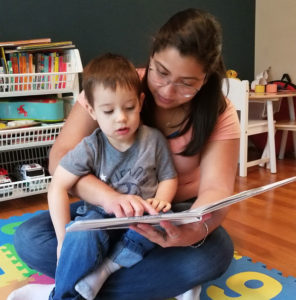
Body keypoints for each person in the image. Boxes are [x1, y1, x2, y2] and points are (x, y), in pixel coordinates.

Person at [11, 8, 240, 300]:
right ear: (152, 54)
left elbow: (216, 189)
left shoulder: (219, 112)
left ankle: (73, 286)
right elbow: (60, 158)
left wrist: (191, 232)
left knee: (214, 254)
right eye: (161, 72)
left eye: (186, 84)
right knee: (29, 238)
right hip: (103, 215)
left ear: (205, 78)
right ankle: (152, 282)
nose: (168, 91)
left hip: (166, 219)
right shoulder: (116, 87)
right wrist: (111, 198)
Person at [47, 53, 177, 300]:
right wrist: (63, 241)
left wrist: (162, 199)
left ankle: (106, 269)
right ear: (91, 110)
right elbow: (57, 187)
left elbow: (168, 178)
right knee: (79, 236)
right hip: (100, 220)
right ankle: (63, 296)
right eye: (108, 111)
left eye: (129, 108)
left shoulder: (154, 140)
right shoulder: (90, 146)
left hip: (140, 220)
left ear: (140, 102)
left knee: (163, 220)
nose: (121, 118)